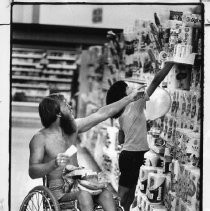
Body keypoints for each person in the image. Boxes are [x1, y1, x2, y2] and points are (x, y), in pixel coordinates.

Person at [28, 87, 146, 211]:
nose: (70, 107)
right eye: (66, 105)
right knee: (84, 196)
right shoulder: (40, 139)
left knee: (106, 195)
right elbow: (32, 171)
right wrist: (53, 164)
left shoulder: (73, 128)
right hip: (59, 191)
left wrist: (129, 98)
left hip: (80, 183)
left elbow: (103, 113)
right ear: (58, 113)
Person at [106, 62, 174, 211]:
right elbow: (156, 82)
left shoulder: (122, 112)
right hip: (132, 156)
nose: (130, 86)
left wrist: (139, 127)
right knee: (125, 195)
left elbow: (122, 140)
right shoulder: (136, 102)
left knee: (127, 193)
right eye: (127, 86)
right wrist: (169, 65)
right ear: (124, 93)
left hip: (130, 155)